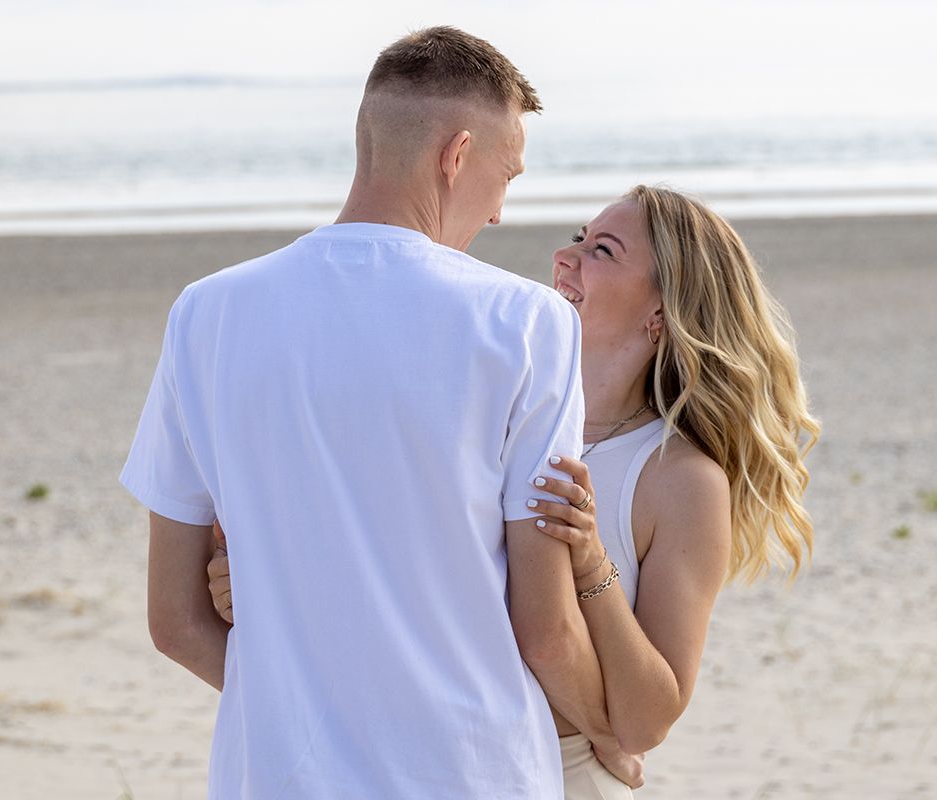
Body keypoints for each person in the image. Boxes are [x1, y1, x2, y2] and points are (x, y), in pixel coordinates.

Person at [120, 26, 638, 800]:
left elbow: (174, 620)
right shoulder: (525, 323)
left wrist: (308, 719)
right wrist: (608, 733)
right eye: (507, 174)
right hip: (474, 774)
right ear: (456, 156)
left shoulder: (208, 313)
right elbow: (545, 625)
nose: (498, 212)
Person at [208, 185, 822, 798]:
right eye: (579, 237)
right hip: (431, 765)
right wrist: (265, 584)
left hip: (567, 777)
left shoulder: (679, 478)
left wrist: (591, 565)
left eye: (602, 250)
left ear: (659, 313)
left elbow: (649, 718)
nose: (565, 255)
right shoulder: (476, 415)